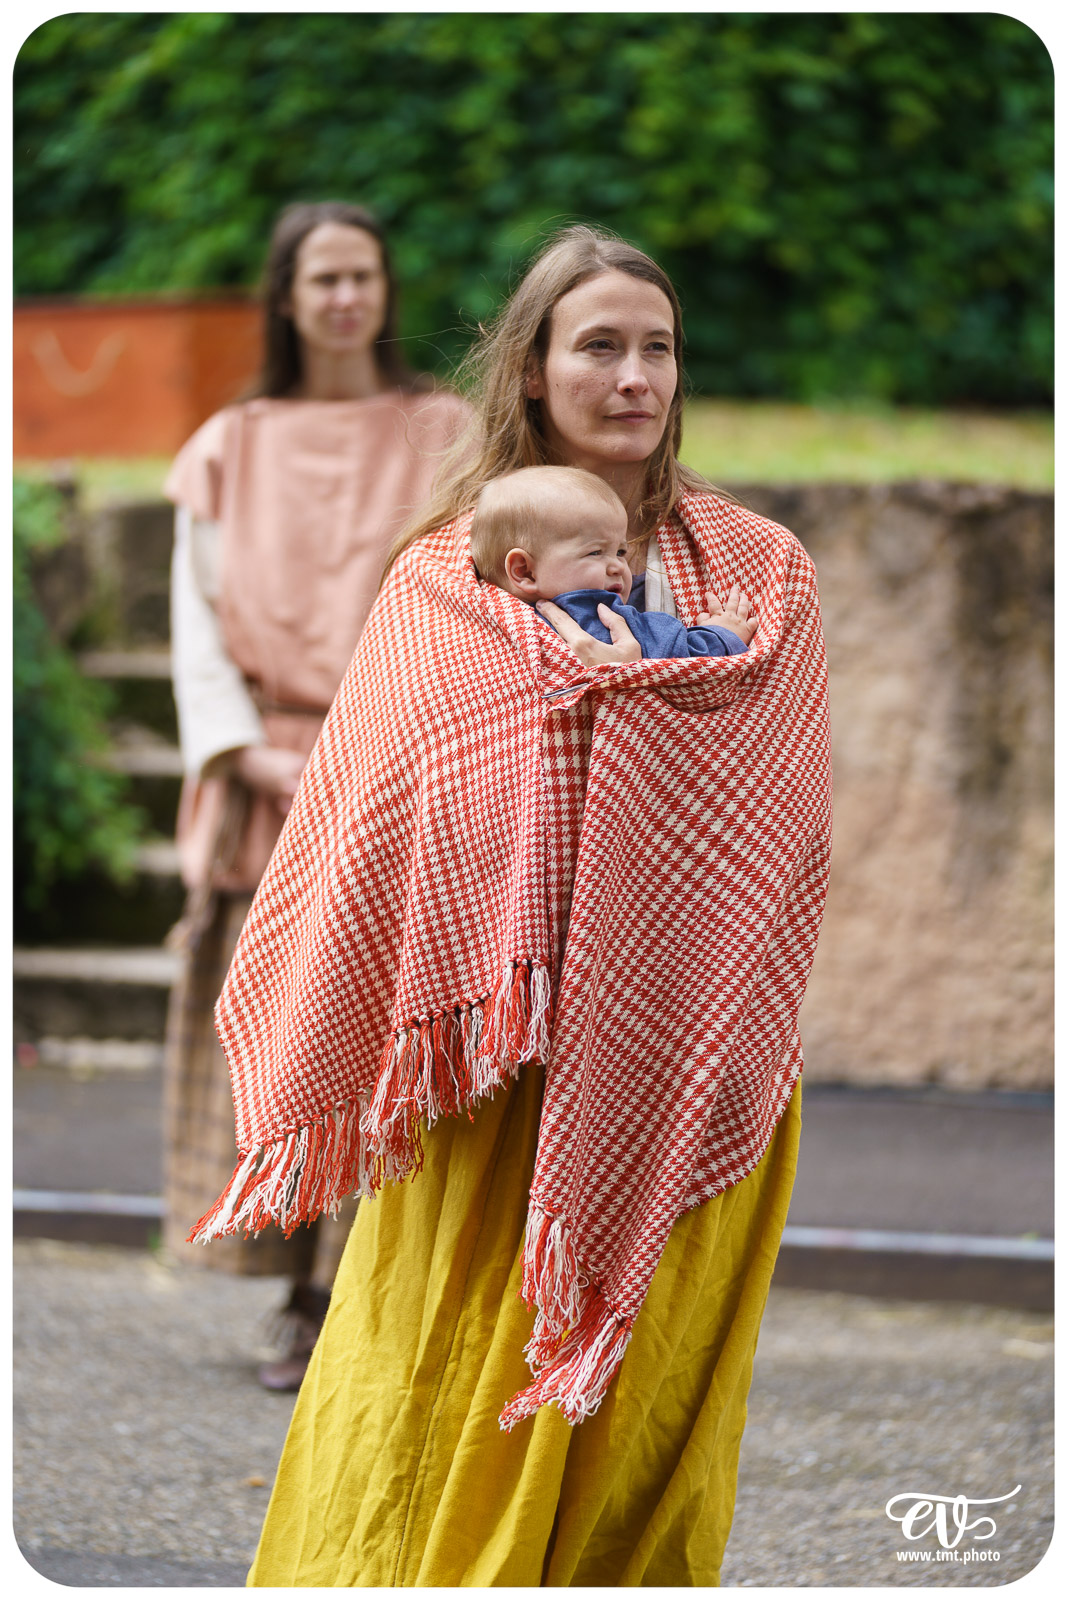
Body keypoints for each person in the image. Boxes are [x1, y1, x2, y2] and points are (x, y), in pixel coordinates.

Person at [196, 224, 832, 1584]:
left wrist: (628, 748)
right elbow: (400, 811)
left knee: (645, 1411)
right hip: (494, 1071)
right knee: (438, 1392)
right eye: (596, 345)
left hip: (686, 1046)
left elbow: (777, 815)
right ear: (532, 372)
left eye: (656, 347)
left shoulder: (759, 571)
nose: (633, 375)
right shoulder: (447, 577)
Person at [161, 200, 470, 1390]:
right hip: (269, 774)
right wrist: (245, 754)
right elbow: (194, 624)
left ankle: (356, 1292)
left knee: (383, 1033)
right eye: (322, 278)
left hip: (406, 769)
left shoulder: (442, 429)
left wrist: (390, 744)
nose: (345, 297)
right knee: (279, 1036)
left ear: (386, 291)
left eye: (364, 275)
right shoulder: (233, 440)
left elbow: (469, 591)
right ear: (286, 296)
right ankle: (291, 1290)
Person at [470, 463, 755, 657]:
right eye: (595, 552)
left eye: (620, 551)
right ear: (524, 571)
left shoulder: (485, 628)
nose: (618, 566)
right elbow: (684, 656)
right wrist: (722, 634)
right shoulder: (600, 617)